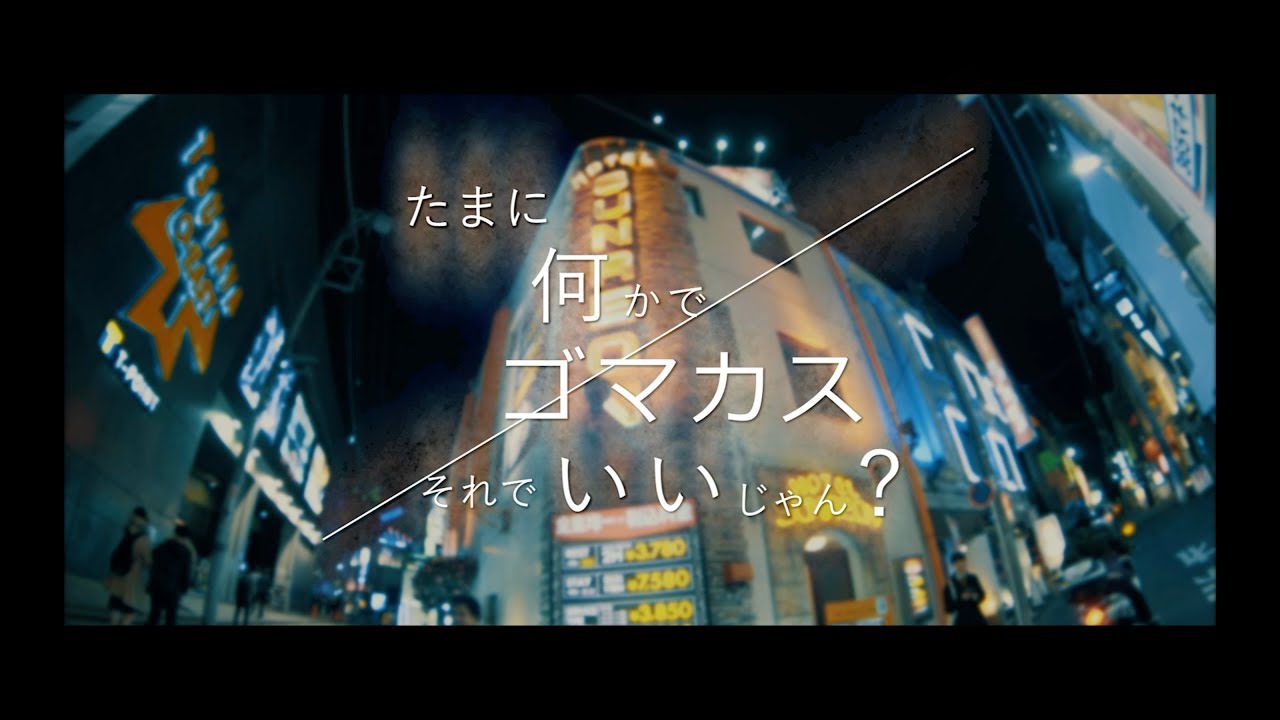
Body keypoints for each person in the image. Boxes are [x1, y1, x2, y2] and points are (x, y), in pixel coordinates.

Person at [105, 507, 152, 626]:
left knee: (116, 606)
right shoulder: (143, 539)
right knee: (130, 611)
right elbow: (148, 560)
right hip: (131, 579)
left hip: (118, 574)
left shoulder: (127, 531)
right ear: (144, 520)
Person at [147, 523, 197, 626]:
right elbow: (186, 573)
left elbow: (152, 564)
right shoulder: (185, 553)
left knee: (154, 616)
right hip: (173, 590)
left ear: (174, 534)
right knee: (170, 618)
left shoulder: (162, 547)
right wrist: (184, 588)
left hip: (158, 587)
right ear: (186, 538)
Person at [944, 552, 988, 626]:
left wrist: (976, 596)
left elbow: (982, 595)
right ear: (954, 565)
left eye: (963, 562)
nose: (961, 565)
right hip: (962, 620)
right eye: (958, 563)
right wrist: (961, 599)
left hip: (977, 617)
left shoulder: (973, 578)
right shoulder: (950, 585)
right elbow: (948, 608)